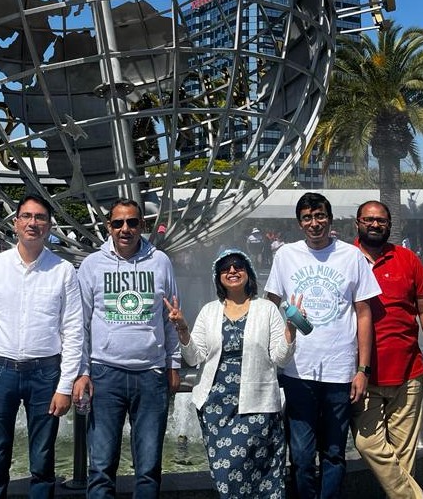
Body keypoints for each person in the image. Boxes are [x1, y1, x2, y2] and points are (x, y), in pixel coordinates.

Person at [0, 194, 83, 499]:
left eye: (40, 217)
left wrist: (65, 386)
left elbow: (72, 331)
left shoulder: (63, 271)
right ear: (16, 223)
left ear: (49, 225)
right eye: (27, 216)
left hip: (45, 375)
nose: (33, 223)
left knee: (43, 459)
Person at [265, 192, 380, 499]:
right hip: (297, 370)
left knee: (333, 453)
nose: (314, 223)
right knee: (301, 456)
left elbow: (364, 313)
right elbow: (269, 305)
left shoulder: (351, 256)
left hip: (339, 372)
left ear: (329, 220)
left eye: (319, 217)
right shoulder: (286, 256)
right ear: (299, 222)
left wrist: (362, 370)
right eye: (307, 218)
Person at [164, 249, 296, 499]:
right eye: (225, 267)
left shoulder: (266, 309)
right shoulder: (209, 311)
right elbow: (194, 357)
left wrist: (291, 331)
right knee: (225, 476)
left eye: (238, 266)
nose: (232, 271)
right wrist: (182, 328)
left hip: (256, 406)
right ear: (218, 276)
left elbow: (281, 357)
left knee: (257, 473)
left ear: (249, 273)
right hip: (215, 406)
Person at [73, 198, 181, 499]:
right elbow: (79, 323)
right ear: (109, 226)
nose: (125, 229)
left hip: (151, 375)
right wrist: (82, 371)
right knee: (101, 468)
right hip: (106, 374)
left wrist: (173, 365)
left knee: (148, 469)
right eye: (118, 223)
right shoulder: (93, 265)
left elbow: (171, 316)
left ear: (142, 226)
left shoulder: (160, 261)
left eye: (132, 222)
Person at [351, 201, 423, 499]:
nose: (375, 224)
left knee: (403, 456)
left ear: (390, 224)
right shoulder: (344, 258)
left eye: (381, 220)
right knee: (367, 443)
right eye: (368, 219)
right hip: (363, 375)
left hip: (409, 371)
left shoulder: (408, 260)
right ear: (357, 223)